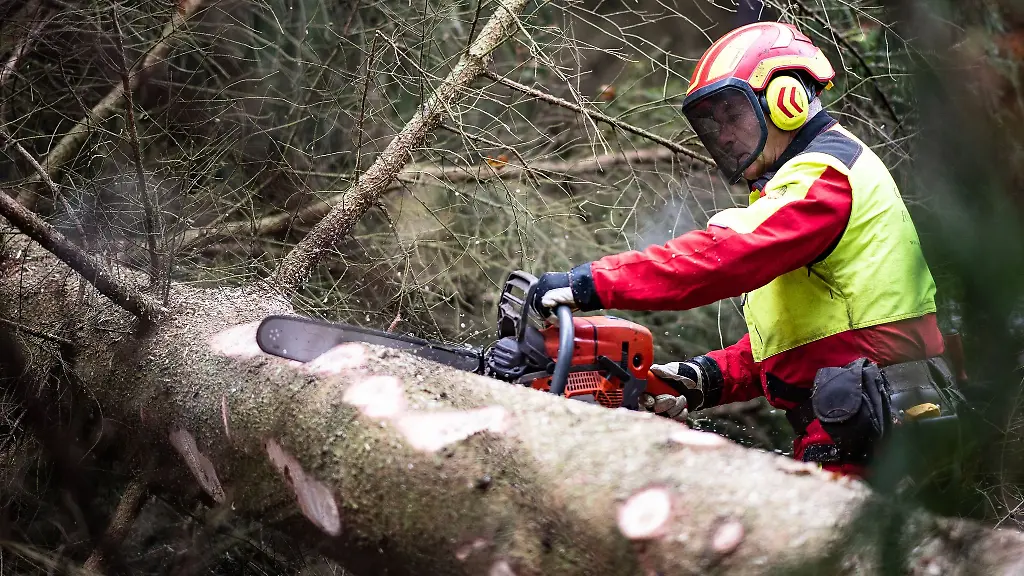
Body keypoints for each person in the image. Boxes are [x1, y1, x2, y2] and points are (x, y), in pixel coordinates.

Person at [531, 21, 960, 476]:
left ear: (785, 98)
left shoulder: (826, 174)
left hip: (880, 433)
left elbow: (725, 257)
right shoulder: (801, 186)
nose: (725, 134)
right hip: (851, 426)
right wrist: (700, 381)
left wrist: (591, 282)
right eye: (713, 123)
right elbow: (807, 345)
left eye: (731, 114)